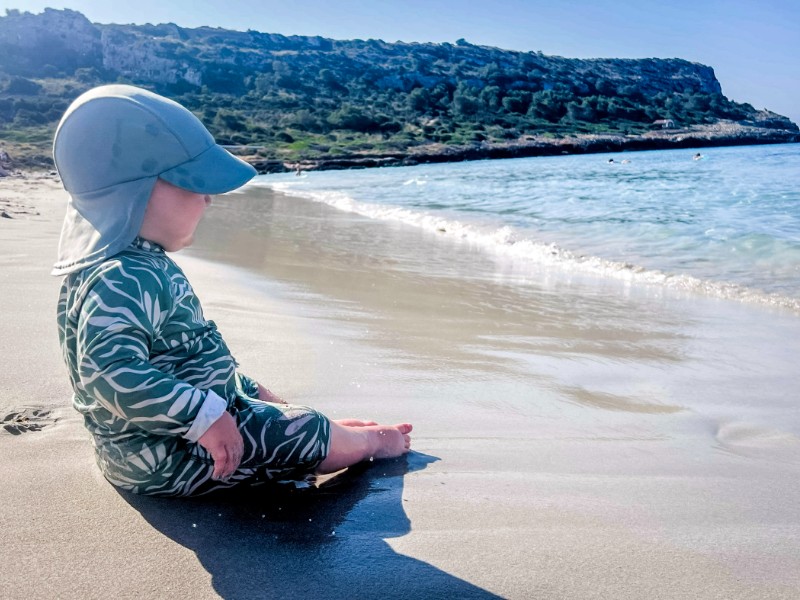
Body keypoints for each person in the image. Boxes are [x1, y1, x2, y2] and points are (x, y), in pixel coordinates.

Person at [52, 85, 412, 497]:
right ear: (140, 192)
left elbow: (169, 354)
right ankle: (366, 443)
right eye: (194, 184)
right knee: (304, 428)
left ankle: (322, 431)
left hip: (177, 431)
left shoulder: (123, 265)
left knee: (250, 390)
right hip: (170, 456)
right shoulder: (122, 276)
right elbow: (107, 374)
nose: (208, 199)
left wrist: (218, 402)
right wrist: (203, 418)